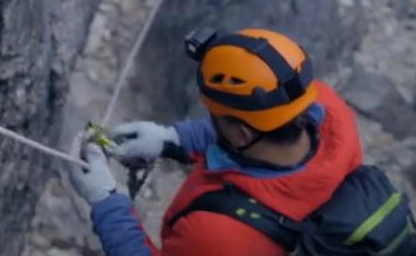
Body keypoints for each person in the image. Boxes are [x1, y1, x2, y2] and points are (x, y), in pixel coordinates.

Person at [73, 28, 366, 255]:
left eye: (215, 116)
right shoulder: (327, 110)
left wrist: (106, 203)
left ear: (242, 135)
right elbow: (247, 126)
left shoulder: (218, 235)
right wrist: (172, 139)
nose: (210, 120)